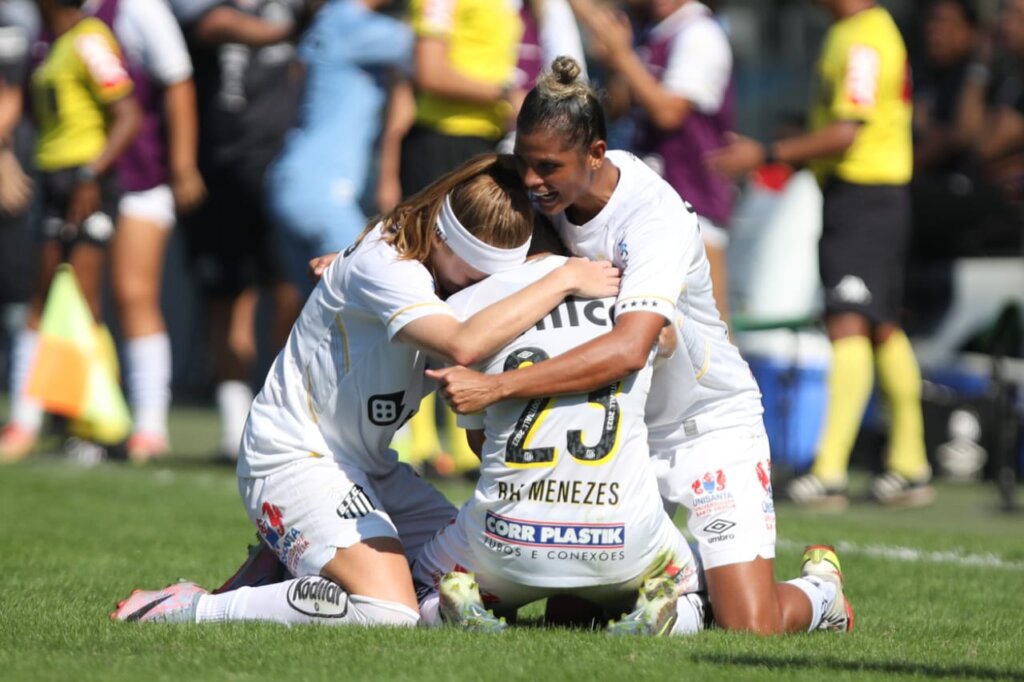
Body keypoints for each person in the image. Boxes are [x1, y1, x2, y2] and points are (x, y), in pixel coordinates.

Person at [428, 57, 852, 635]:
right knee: (570, 614)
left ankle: (821, 592)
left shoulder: (652, 218)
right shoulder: (537, 189)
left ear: (597, 154)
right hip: (623, 429)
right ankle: (684, 582)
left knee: (750, 624)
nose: (531, 181)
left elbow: (630, 349)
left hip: (707, 423)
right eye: (525, 164)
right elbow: (448, 226)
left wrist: (497, 387)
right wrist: (368, 262)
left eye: (549, 167)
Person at [111, 153, 620, 627]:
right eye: (471, 278)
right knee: (387, 611)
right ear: (442, 239)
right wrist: (565, 278)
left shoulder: (416, 254)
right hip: (293, 458)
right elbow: (462, 342)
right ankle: (193, 608)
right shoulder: (387, 265)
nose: (473, 291)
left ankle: (284, 565)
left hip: (368, 468)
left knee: (470, 579)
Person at [708, 0, 934, 510]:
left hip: (866, 196)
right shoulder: (852, 32)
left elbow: (846, 130)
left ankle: (829, 470)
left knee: (848, 321)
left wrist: (768, 153)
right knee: (881, 326)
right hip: (867, 195)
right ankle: (910, 463)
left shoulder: (863, 39)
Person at [413, 243, 706, 636]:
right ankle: (668, 617)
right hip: (621, 540)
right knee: (697, 590)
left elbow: (481, 448)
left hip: (506, 543)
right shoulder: (635, 304)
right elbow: (672, 346)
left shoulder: (472, 309)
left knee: (417, 583)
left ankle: (452, 610)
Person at [1, 0, 140, 461]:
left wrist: (89, 175)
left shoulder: (89, 38)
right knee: (43, 299)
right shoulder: (52, 44)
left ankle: (101, 428)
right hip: (57, 182)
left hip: (86, 186)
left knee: (83, 303)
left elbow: (128, 115)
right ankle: (25, 423)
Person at [171, 0, 304, 460]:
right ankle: (233, 430)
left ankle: (282, 420)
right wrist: (288, 31)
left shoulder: (300, 8)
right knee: (228, 299)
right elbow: (216, 25)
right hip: (223, 172)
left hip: (287, 173)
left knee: (295, 295)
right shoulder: (208, 6)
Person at [84, 0, 204, 462]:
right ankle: (87, 418)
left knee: (135, 293)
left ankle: (150, 427)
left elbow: (177, 80)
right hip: (75, 181)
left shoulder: (138, 8)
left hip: (139, 174)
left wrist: (182, 163)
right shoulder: (45, 15)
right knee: (77, 300)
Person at [573, 0, 736, 325]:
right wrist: (616, 64)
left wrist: (622, 55)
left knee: (708, 329)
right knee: (649, 323)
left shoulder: (698, 32)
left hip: (692, 202)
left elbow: (668, 111)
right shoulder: (649, 32)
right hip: (646, 200)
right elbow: (618, 107)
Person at [266, 0, 412, 297]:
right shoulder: (347, 20)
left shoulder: (333, 19)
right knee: (372, 285)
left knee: (317, 319)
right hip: (319, 189)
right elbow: (429, 49)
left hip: (299, 180)